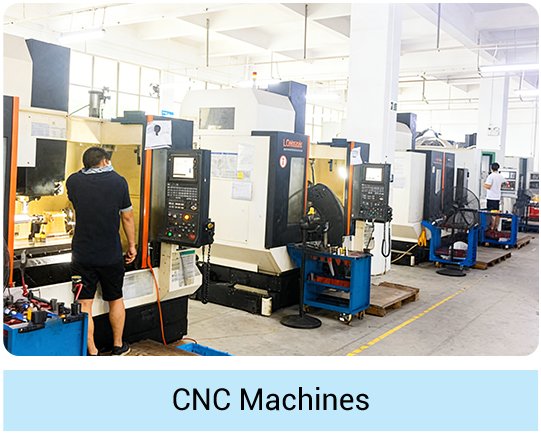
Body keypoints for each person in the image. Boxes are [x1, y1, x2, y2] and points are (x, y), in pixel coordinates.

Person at [66, 147, 137, 356]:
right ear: (105, 161)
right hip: (110, 254)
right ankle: (118, 345)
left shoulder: (74, 181)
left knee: (84, 303)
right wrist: (132, 245)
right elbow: (127, 217)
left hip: (82, 254)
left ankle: (93, 351)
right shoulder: (119, 182)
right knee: (115, 299)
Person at [483, 162, 506, 231]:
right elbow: (505, 184)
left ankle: (491, 228)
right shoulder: (500, 176)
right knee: (496, 213)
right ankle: (495, 228)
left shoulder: (491, 176)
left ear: (491, 168)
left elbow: (488, 186)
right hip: (497, 198)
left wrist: (483, 184)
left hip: (491, 198)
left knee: (491, 214)